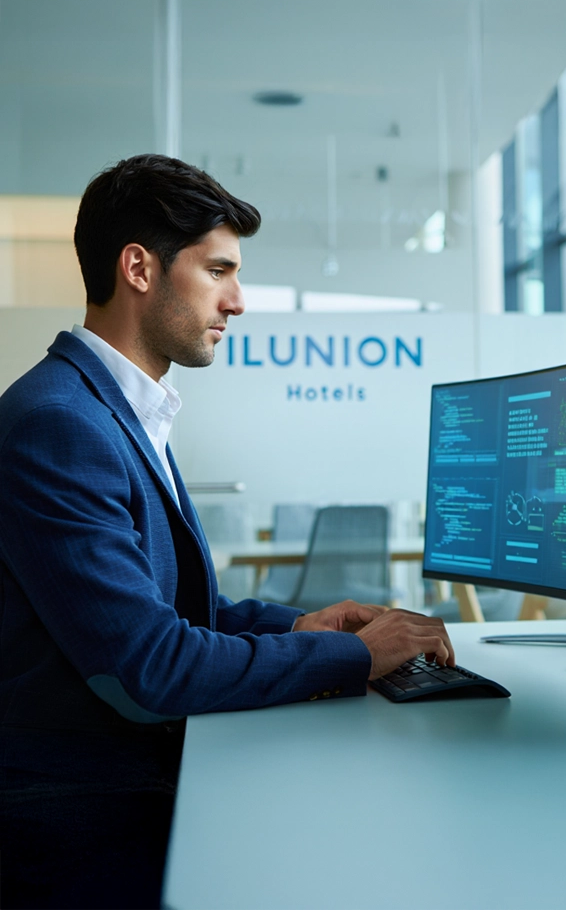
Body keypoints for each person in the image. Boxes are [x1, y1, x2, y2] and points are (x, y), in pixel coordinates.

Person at [0, 154, 454, 910]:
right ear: (139, 268)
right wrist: (356, 655)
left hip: (127, 778)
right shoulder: (60, 422)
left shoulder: (114, 409)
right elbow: (152, 664)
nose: (237, 302)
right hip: (81, 814)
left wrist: (300, 625)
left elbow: (171, 609)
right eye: (218, 271)